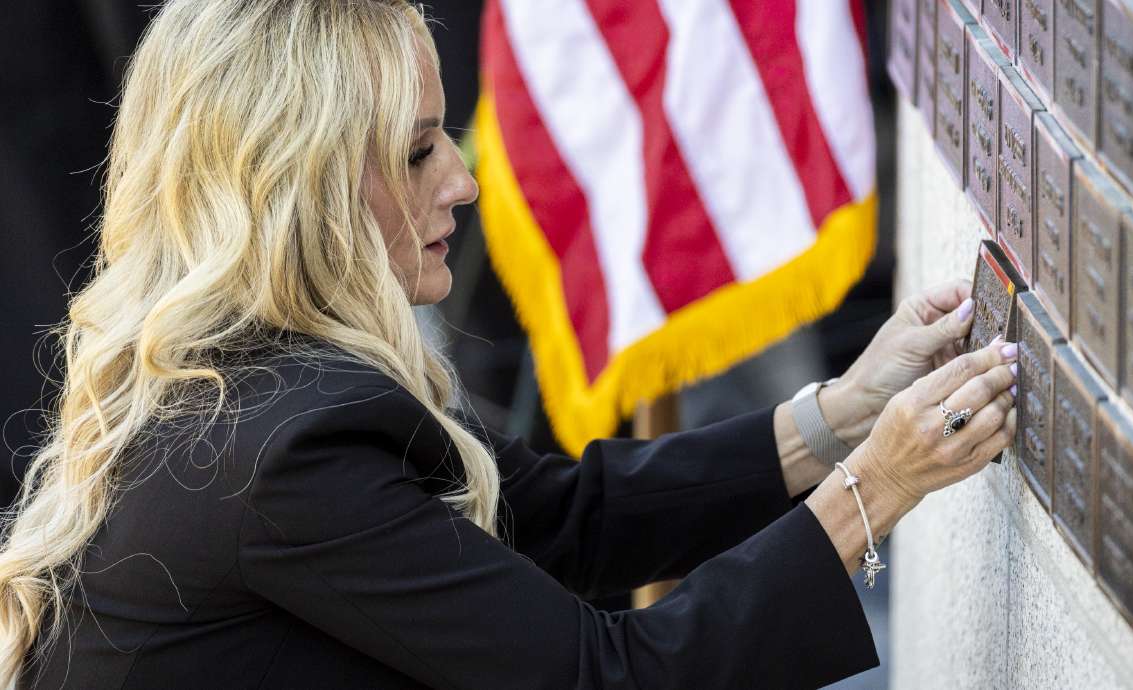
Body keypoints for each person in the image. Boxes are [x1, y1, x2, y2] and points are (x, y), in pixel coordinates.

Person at [0, 1, 1018, 688]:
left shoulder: (270, 370)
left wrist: (845, 413)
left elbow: (561, 517)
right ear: (294, 190)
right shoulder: (279, 455)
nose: (464, 180)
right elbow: (600, 674)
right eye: (415, 151)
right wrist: (877, 487)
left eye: (443, 136)